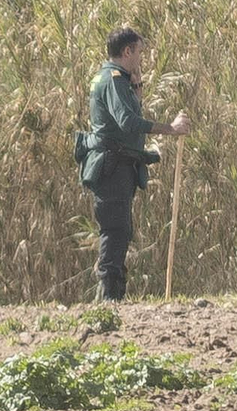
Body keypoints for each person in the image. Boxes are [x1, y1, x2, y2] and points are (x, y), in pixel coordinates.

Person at [77, 27, 191, 301]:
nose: (141, 58)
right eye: (139, 51)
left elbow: (123, 116)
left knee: (120, 229)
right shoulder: (113, 79)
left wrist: (137, 92)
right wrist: (171, 129)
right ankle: (110, 299)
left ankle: (114, 296)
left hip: (117, 165)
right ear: (127, 51)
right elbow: (126, 122)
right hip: (113, 167)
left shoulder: (112, 79)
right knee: (115, 230)